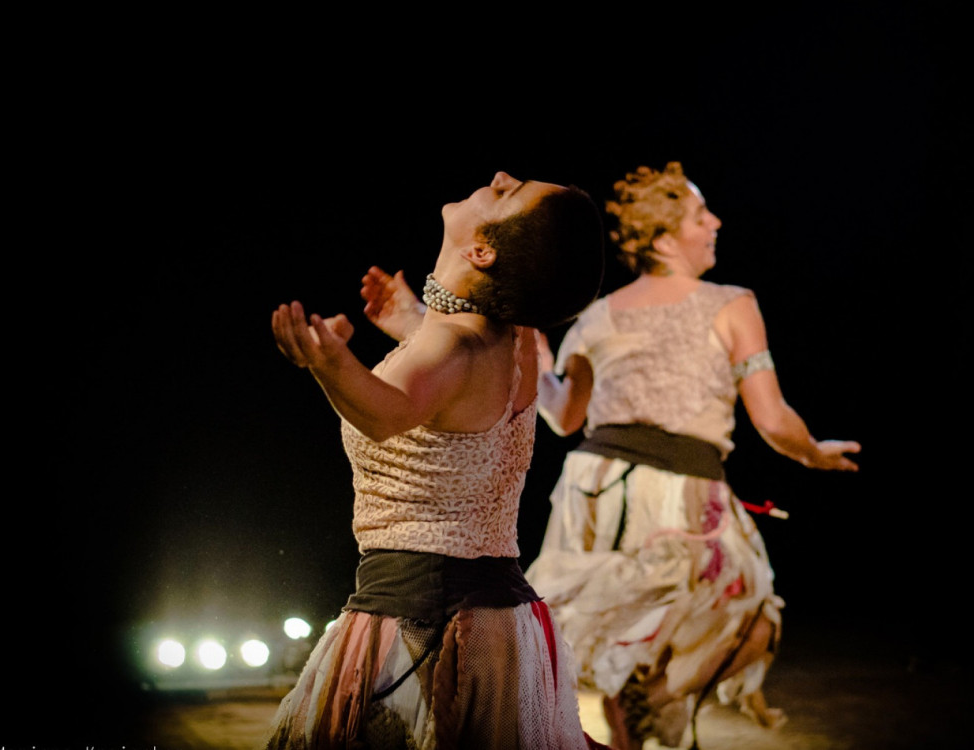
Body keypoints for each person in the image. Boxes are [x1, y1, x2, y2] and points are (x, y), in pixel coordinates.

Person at [523, 162, 862, 749]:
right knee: (743, 612)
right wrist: (813, 454)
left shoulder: (600, 314)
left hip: (603, 487)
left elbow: (563, 416)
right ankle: (647, 712)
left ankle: (644, 711)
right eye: (701, 215)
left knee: (633, 634)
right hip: (667, 492)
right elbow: (774, 419)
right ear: (663, 237)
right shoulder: (731, 304)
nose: (715, 222)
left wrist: (541, 369)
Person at [264, 171, 608, 749]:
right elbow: (454, 389)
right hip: (493, 616)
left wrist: (326, 360)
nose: (499, 177)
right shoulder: (511, 338)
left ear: (481, 250)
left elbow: (386, 412)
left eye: (508, 193)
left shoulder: (455, 344)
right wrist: (412, 322)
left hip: (424, 619)